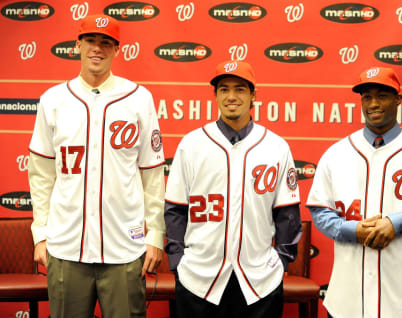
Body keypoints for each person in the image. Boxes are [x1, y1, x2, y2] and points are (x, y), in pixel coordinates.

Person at [28, 14, 166, 318]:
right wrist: (41, 233)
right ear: (78, 44)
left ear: (117, 50)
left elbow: (152, 174)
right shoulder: (53, 100)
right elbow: (40, 176)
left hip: (124, 248)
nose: (97, 48)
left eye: (106, 42)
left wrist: (155, 235)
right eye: (91, 40)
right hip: (66, 246)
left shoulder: (139, 98)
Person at [306, 66, 402, 318]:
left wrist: (397, 223)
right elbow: (320, 211)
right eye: (367, 96)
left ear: (398, 99)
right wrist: (352, 230)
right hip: (347, 298)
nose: (373, 103)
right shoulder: (336, 153)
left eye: (382, 95)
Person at [164, 60, 302, 318]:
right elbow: (175, 209)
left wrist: (281, 261)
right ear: (215, 95)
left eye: (239, 89)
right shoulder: (192, 144)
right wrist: (178, 261)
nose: (231, 96)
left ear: (253, 96)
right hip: (199, 277)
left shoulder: (276, 147)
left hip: (259, 279)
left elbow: (288, 213)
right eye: (224, 89)